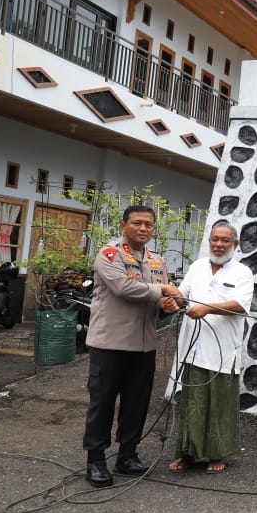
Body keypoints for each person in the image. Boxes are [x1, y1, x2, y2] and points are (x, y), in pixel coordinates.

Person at [83, 205, 181, 487]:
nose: (143, 228)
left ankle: (127, 455)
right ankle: (96, 460)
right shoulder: (109, 254)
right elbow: (124, 289)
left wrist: (168, 305)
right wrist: (162, 291)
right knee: (102, 403)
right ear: (124, 225)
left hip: (144, 345)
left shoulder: (156, 261)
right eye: (137, 223)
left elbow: (159, 302)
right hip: (110, 344)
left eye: (148, 225)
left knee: (136, 404)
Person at [162, 220, 255, 474]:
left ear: (234, 245)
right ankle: (187, 454)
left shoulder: (242, 272)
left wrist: (207, 308)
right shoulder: (197, 267)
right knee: (191, 403)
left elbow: (240, 304)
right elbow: (182, 296)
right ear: (209, 242)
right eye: (215, 239)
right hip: (193, 348)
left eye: (225, 240)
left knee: (219, 405)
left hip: (223, 352)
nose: (219, 244)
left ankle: (217, 454)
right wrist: (172, 301)